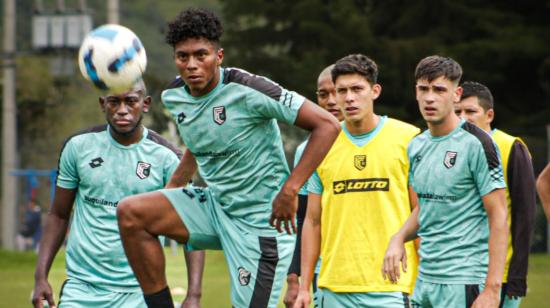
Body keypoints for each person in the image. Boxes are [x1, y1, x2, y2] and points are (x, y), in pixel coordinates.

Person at [115, 8, 340, 308]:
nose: (192, 65)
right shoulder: (174, 96)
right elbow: (198, 141)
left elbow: (328, 125)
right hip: (216, 208)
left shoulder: (249, 90)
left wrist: (290, 189)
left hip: (263, 222)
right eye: (183, 56)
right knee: (131, 212)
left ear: (218, 56)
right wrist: (173, 188)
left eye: (201, 55)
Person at [32, 81, 204, 308]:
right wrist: (40, 277)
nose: (122, 109)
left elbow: (193, 226)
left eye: (131, 101)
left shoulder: (167, 157)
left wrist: (194, 295)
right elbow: (59, 214)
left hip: (142, 292)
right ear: (103, 104)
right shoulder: (78, 147)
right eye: (114, 101)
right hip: (82, 289)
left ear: (145, 104)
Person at [292, 54, 420, 308]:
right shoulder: (321, 145)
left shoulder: (409, 139)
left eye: (357, 89)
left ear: (375, 91)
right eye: (342, 91)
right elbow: (312, 220)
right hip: (334, 287)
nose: (348, 98)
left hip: (393, 286)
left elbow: (422, 210)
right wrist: (304, 286)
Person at [382, 55, 509, 308]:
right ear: (416, 92)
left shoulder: (479, 144)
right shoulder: (417, 145)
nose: (430, 98)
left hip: (464, 281)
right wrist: (398, 238)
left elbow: (499, 216)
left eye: (439, 89)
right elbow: (425, 207)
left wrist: (492, 290)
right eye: (423, 89)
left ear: (456, 94)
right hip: (425, 281)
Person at [455, 81, 536, 307]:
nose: (463, 117)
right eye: (457, 112)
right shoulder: (449, 150)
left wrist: (517, 276)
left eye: (470, 111)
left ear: (489, 115)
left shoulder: (510, 147)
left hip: (501, 275)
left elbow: (525, 215)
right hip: (457, 273)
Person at [283, 64, 344, 307]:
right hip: (322, 269)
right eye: (322, 94)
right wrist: (294, 278)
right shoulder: (306, 151)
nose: (331, 101)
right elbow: (302, 217)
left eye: (336, 92)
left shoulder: (389, 141)